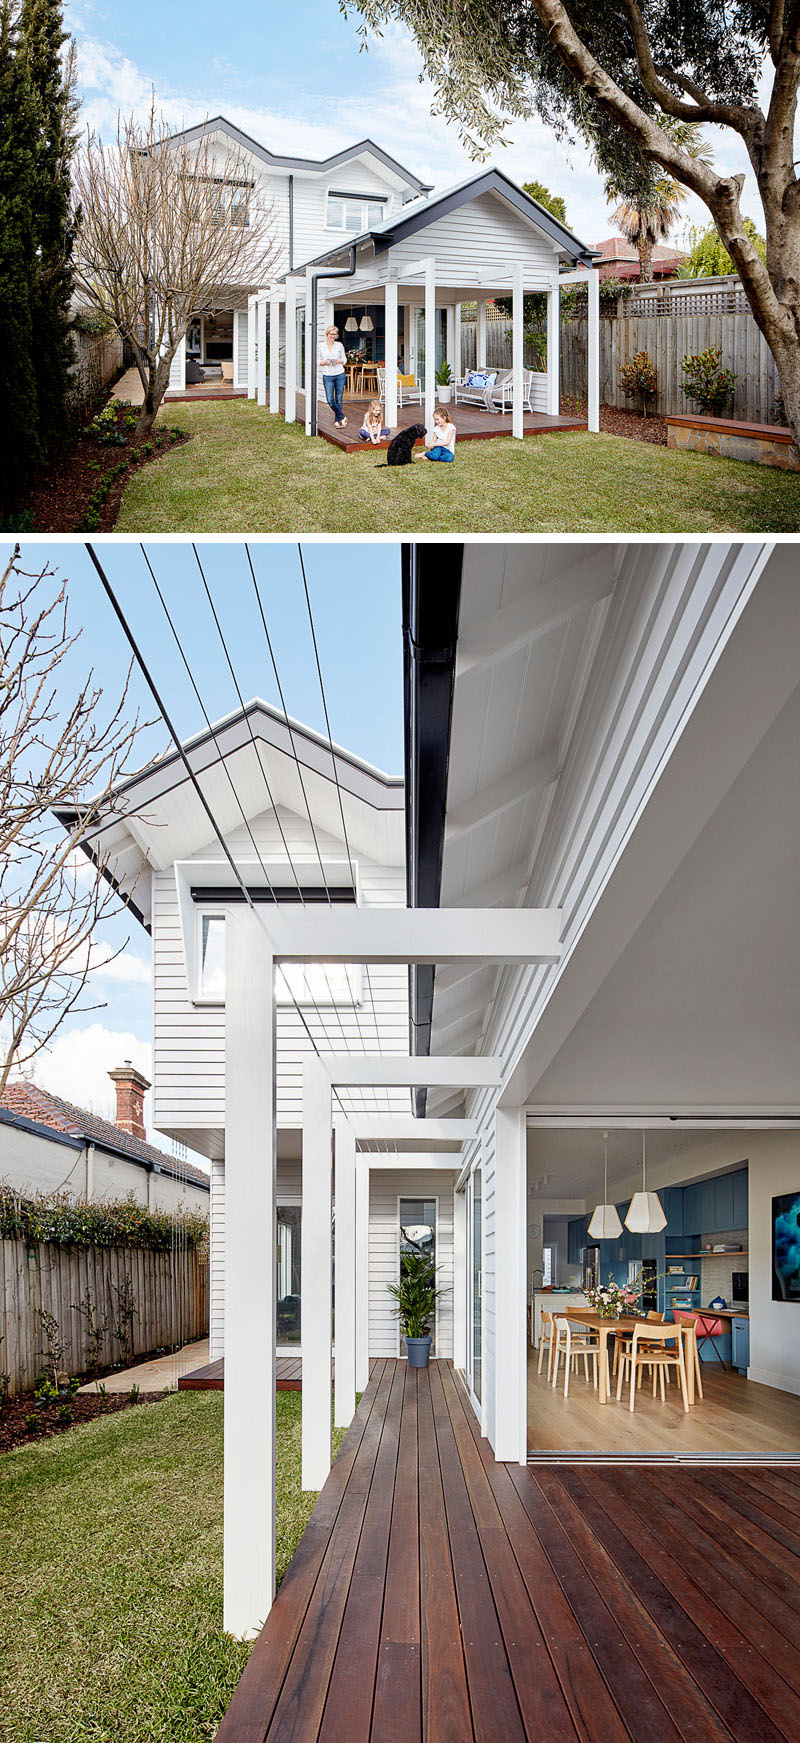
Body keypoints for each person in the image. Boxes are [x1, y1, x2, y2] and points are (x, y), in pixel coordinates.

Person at [318, 325, 347, 428]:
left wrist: (339, 361)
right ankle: (342, 417)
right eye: (331, 334)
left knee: (339, 398)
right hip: (328, 376)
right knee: (330, 400)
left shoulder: (339, 345)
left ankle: (337, 421)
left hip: (340, 374)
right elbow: (317, 361)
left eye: (334, 334)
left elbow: (345, 359)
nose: (333, 336)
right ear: (327, 334)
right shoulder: (321, 346)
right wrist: (324, 362)